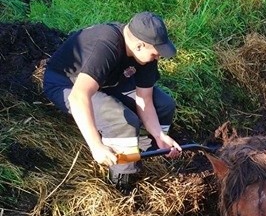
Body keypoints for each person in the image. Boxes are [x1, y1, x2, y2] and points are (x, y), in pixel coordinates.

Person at [43, 11, 182, 192]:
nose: (158, 57)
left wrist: (158, 134)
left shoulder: (146, 55)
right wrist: (96, 146)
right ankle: (121, 181)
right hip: (68, 83)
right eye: (156, 54)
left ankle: (146, 152)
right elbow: (79, 96)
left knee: (164, 105)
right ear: (140, 45)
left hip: (109, 81)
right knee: (121, 121)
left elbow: (145, 98)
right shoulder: (107, 44)